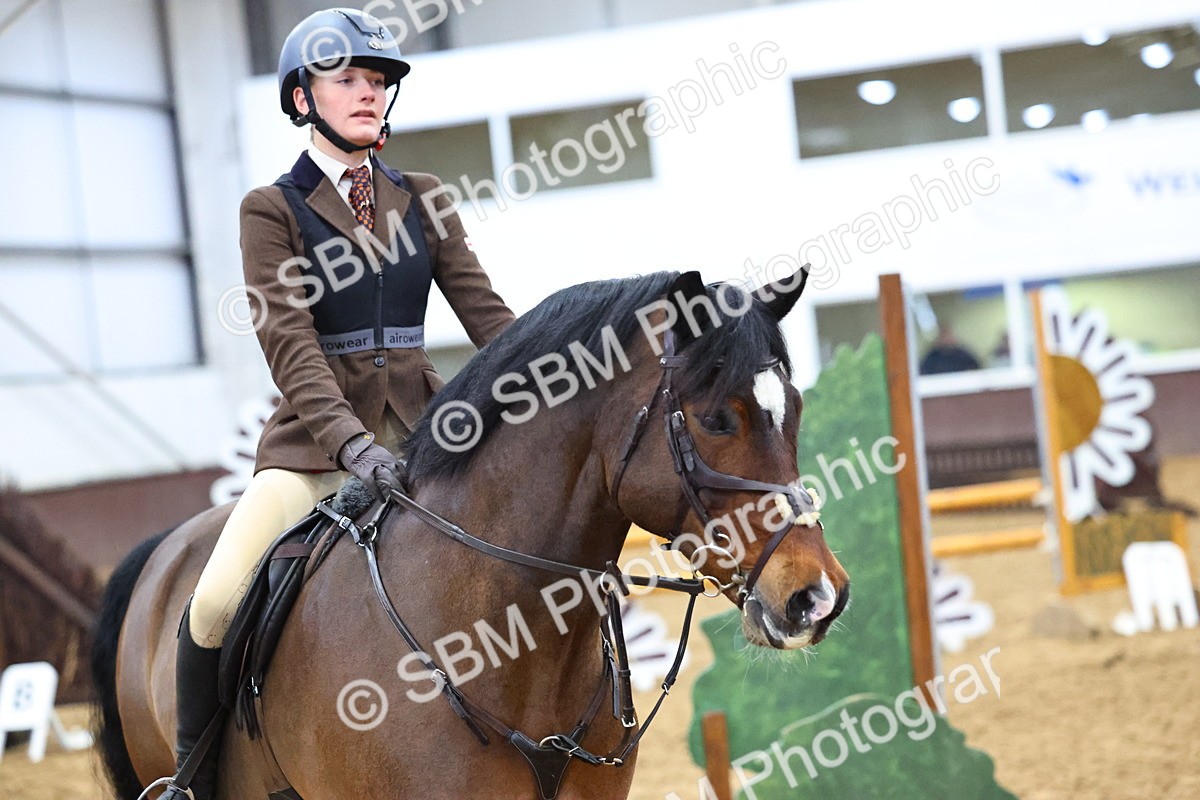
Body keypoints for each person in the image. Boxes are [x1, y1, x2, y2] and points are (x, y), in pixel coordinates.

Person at [150, 9, 515, 799]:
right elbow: (290, 344)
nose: (368, 92)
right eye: (347, 78)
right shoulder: (271, 209)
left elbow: (488, 317)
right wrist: (352, 445)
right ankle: (193, 780)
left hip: (426, 442)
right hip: (316, 451)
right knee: (213, 602)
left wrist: (564, 370)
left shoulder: (423, 199)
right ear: (302, 98)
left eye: (377, 80)